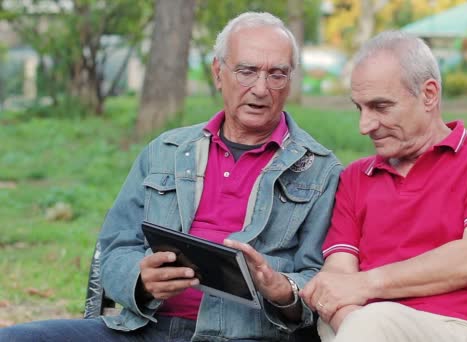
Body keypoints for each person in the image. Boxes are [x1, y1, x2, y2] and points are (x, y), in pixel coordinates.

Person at [0, 12, 341, 342]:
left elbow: (324, 279)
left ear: (290, 80)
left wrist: (282, 289)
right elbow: (115, 248)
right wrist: (141, 280)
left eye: (277, 74)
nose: (261, 88)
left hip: (247, 335)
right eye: (247, 71)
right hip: (145, 329)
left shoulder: (320, 170)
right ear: (218, 72)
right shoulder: (165, 150)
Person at [300, 31, 467, 342]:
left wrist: (366, 288)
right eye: (360, 108)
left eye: (380, 107)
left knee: (373, 322)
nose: (365, 126)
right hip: (362, 327)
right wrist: (349, 316)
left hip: (458, 329)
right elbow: (338, 275)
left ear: (429, 94)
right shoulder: (356, 178)